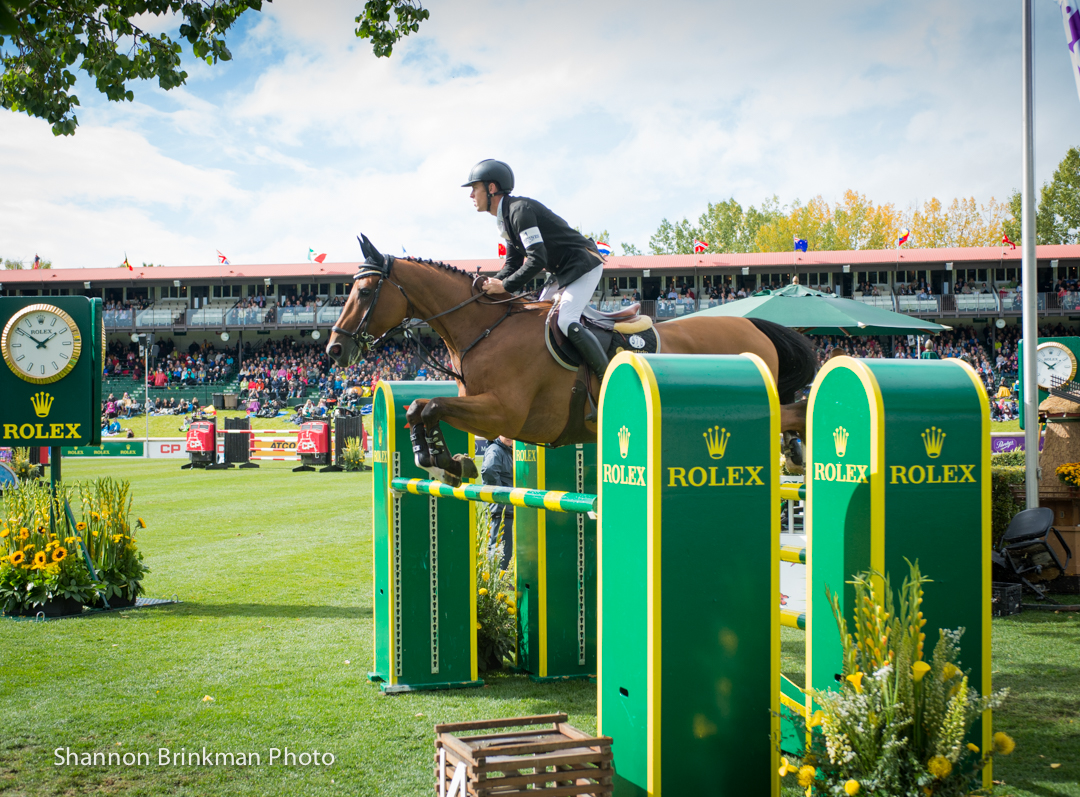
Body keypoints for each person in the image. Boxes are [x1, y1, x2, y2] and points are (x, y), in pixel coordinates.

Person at [464, 159, 610, 379]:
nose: (471, 195)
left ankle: (606, 377)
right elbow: (512, 265)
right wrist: (486, 284)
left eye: (475, 188)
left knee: (565, 320)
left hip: (583, 265)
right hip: (563, 273)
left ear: (491, 188)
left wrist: (503, 285)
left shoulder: (519, 212)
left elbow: (536, 258)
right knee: (538, 319)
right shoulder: (505, 220)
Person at [481, 435, 515, 570]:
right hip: (499, 508)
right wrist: (501, 497)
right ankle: (497, 581)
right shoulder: (495, 449)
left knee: (504, 544)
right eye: (505, 432)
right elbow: (488, 471)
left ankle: (501, 579)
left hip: (505, 506)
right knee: (499, 545)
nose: (509, 436)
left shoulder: (507, 449)